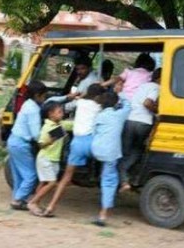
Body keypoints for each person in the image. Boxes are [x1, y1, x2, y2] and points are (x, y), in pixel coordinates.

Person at [43, 83, 105, 217]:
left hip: (77, 143)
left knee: (66, 177)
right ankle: (103, 213)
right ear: (99, 97)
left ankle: (50, 206)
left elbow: (76, 100)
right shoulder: (99, 108)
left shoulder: (81, 103)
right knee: (108, 170)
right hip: (92, 143)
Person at [90, 87, 131, 227]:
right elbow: (128, 105)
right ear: (115, 104)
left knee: (106, 172)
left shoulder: (99, 116)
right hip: (110, 153)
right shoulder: (119, 115)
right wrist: (121, 93)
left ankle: (110, 184)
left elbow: (94, 132)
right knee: (109, 181)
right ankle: (103, 215)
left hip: (96, 149)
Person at [119, 68, 162, 192]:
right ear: (160, 78)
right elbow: (147, 103)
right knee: (137, 150)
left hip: (130, 120)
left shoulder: (143, 86)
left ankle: (123, 180)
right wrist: (157, 111)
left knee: (124, 152)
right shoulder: (156, 87)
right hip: (143, 123)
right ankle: (126, 177)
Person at [7, 80, 48, 211]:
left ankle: (20, 200)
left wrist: (66, 98)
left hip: (13, 141)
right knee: (31, 175)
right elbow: (36, 135)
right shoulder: (34, 110)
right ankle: (17, 199)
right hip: (21, 144)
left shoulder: (27, 103)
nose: (45, 98)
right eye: (44, 96)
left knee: (19, 175)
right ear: (37, 96)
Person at [27, 102, 73, 217]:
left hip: (53, 159)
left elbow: (72, 125)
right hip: (46, 158)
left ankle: (36, 202)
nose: (62, 114)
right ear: (51, 114)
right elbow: (41, 144)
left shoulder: (59, 125)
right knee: (52, 183)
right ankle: (32, 203)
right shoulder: (48, 127)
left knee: (44, 182)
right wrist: (50, 141)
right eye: (59, 112)